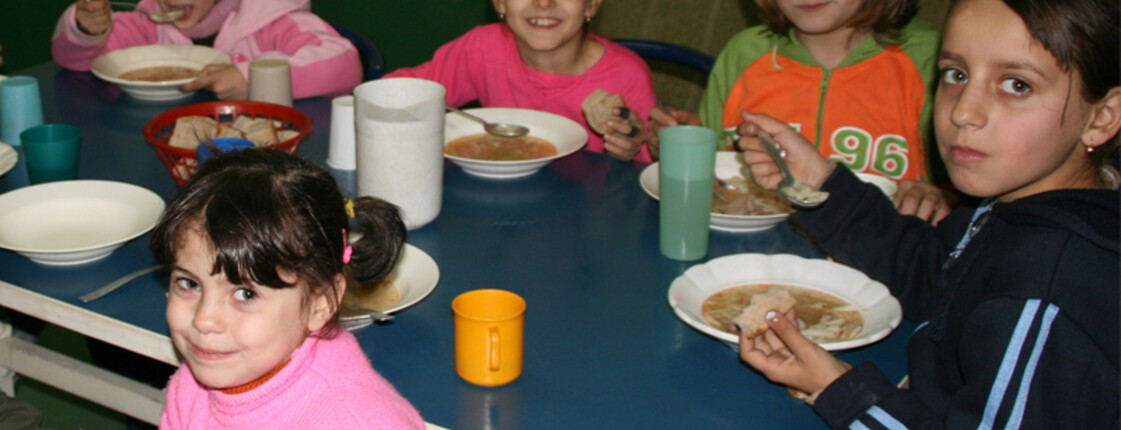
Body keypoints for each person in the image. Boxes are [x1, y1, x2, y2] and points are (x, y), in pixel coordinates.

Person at [734, 0, 1119, 427]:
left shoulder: (1045, 295)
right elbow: (932, 273)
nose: (962, 111)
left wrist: (839, 389)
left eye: (1017, 85)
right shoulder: (1014, 204)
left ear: (1102, 117)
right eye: (956, 75)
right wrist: (822, 181)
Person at [150, 149, 426, 429]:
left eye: (245, 294)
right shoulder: (194, 384)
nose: (203, 320)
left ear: (321, 303)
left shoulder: (357, 422)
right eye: (189, 283)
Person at [650, 0, 957, 223]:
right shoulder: (743, 53)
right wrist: (686, 143)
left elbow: (974, 196)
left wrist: (940, 197)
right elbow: (718, 176)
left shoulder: (934, 60)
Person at [384, 0, 657, 162]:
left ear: (592, 4)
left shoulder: (626, 76)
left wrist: (631, 151)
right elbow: (408, 89)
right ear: (500, 3)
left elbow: (650, 175)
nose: (544, 2)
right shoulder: (481, 48)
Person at [51, 0, 361, 100]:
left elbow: (345, 63)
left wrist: (250, 78)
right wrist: (88, 30)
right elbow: (79, 61)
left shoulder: (274, 20)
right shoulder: (147, 24)